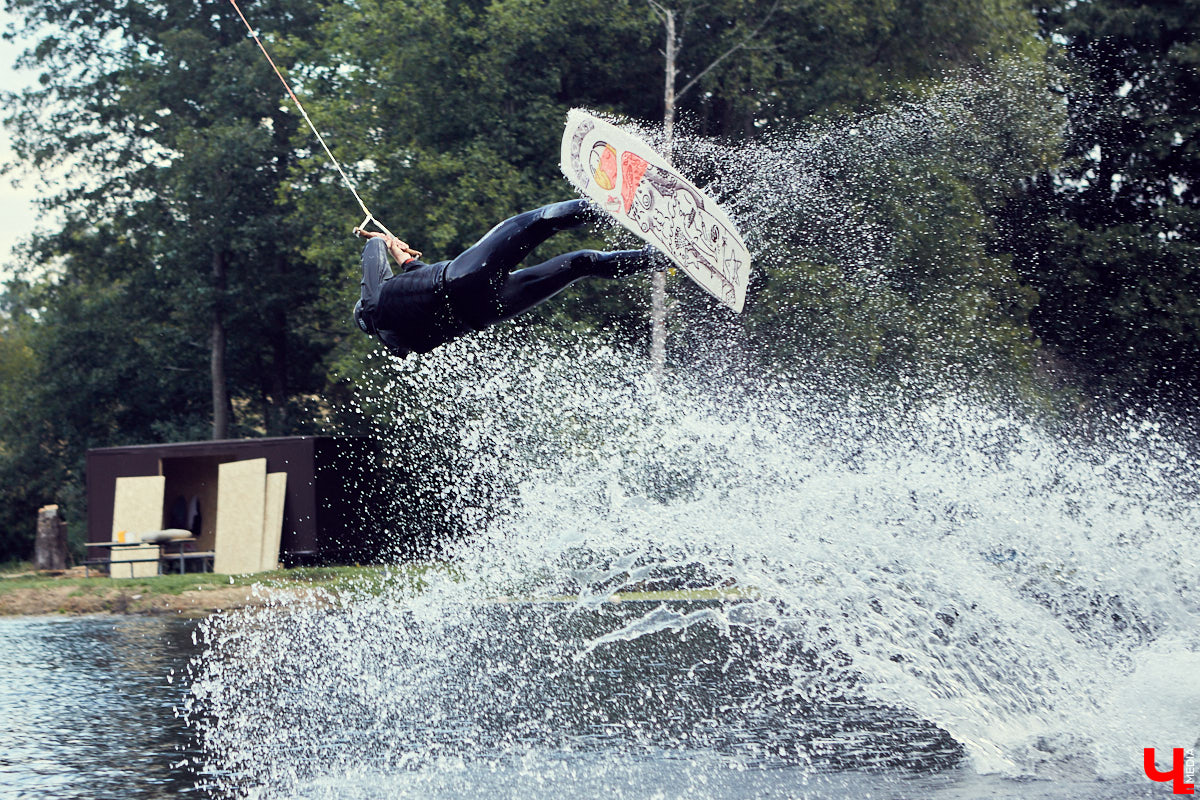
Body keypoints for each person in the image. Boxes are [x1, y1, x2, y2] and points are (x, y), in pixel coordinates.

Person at [352, 199, 654, 357]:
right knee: (539, 221)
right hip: (461, 279)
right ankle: (616, 206)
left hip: (487, 311)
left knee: (581, 263)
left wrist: (400, 254)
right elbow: (372, 247)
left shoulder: (405, 337)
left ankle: (654, 258)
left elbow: (413, 281)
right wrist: (381, 239)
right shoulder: (374, 301)